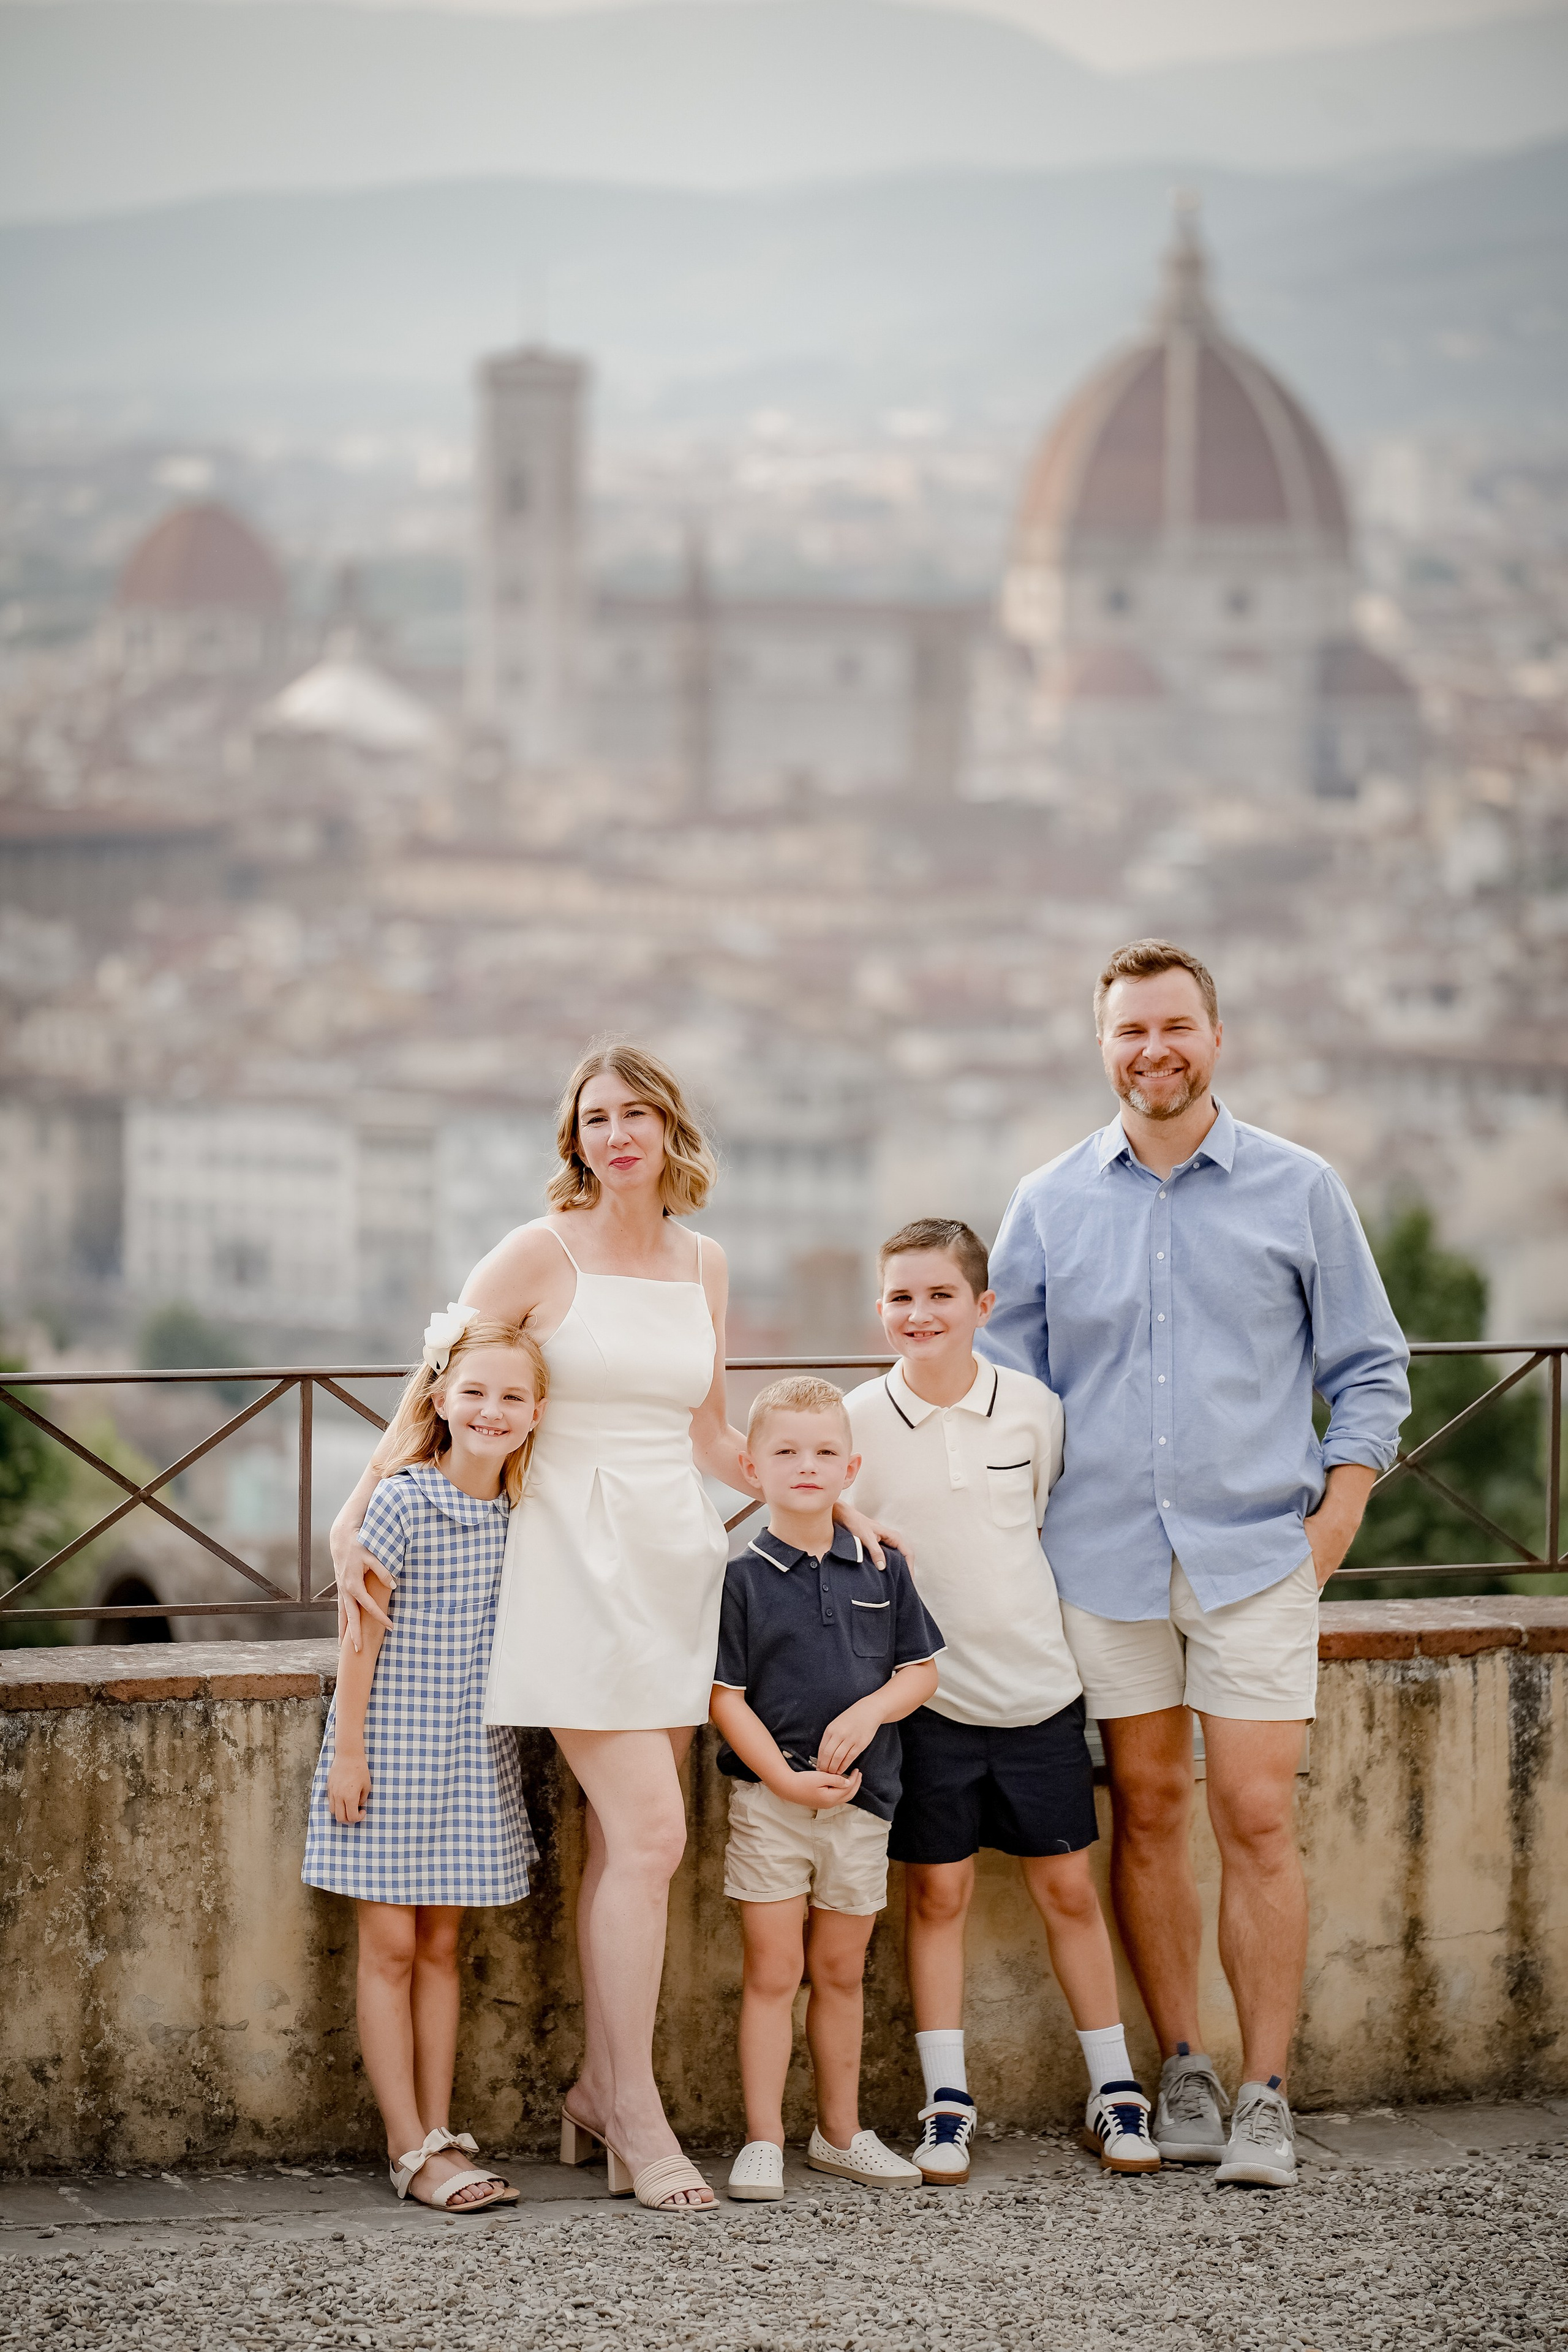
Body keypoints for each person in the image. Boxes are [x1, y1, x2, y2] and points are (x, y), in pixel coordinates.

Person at [331, 1042, 892, 2215]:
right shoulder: (542, 1249)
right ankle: (632, 2112)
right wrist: (356, 1508)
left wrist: (825, 1497)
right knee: (651, 1837)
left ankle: (597, 2086)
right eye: (597, 1117)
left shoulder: (705, 1261)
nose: (618, 1133)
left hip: (672, 1555)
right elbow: (438, 1381)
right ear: (574, 1137)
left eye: (638, 1113)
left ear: (670, 1127)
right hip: (566, 1561)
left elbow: (712, 1433)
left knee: (618, 1844)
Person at [979, 938, 1410, 2189]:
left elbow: (1369, 1367)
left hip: (1255, 1555)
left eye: (1173, 1027)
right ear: (1100, 1044)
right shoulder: (1047, 1201)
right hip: (1100, 1560)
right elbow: (1010, 1394)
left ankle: (1266, 2089)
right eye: (1128, 1031)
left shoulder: (1298, 1188)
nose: (1151, 1051)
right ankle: (1181, 2065)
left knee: (1258, 1816)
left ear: (1213, 1038)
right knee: (1151, 1811)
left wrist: (1333, 1520)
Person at [845, 1219, 1159, 2182]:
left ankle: (1115, 2092)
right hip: (925, 1703)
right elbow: (796, 1486)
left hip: (1037, 1692)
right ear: (880, 1309)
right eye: (901, 1296)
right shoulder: (856, 1420)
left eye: (941, 1295)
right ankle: (947, 2101)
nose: (919, 1312)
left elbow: (1042, 1520)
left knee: (1068, 1888)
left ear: (984, 1307)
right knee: (938, 1895)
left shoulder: (1032, 1408)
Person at [303, 1309, 547, 2214]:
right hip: (391, 1744)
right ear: (441, 1398)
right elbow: (358, 1640)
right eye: (475, 1391)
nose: (492, 1409)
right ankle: (406, 2144)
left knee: (445, 1945)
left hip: (472, 1752)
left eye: (513, 1396)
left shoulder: (520, 1511)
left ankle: (441, 2133)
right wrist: (350, 1754)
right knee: (393, 1945)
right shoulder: (405, 1498)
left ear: (535, 1413)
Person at [710, 1377, 943, 2202]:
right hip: (770, 1808)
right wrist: (781, 1776)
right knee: (774, 1971)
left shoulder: (883, 1565)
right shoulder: (741, 1578)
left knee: (842, 1971)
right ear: (751, 1465)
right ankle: (764, 2139)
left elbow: (921, 1673)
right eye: (784, 1452)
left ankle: (839, 2134)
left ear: (850, 1466)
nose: (804, 1467)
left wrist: (873, 1710)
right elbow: (725, 1698)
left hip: (864, 1802)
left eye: (821, 1453)